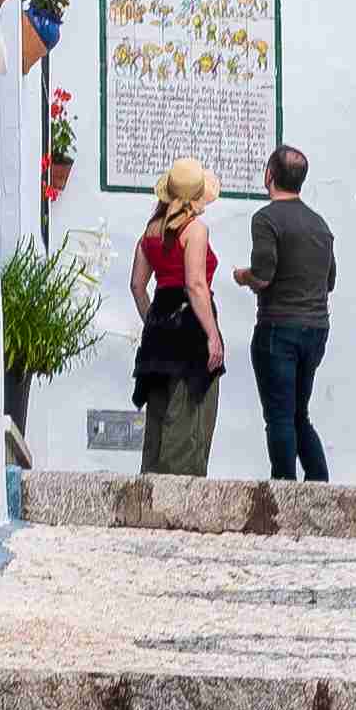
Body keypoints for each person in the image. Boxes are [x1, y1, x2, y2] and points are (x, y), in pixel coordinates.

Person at [241, 145, 339, 481]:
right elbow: (330, 281)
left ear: (269, 175)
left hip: (278, 328)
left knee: (280, 417)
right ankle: (319, 483)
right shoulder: (320, 225)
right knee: (299, 414)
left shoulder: (266, 219)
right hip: (316, 330)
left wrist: (243, 277)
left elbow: (263, 275)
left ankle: (284, 489)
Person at [126, 159, 228, 477]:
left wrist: (155, 323)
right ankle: (180, 495)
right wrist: (212, 335)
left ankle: (152, 490)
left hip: (158, 331)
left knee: (158, 423)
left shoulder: (149, 232)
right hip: (191, 330)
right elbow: (195, 285)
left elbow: (137, 286)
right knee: (188, 422)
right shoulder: (195, 229)